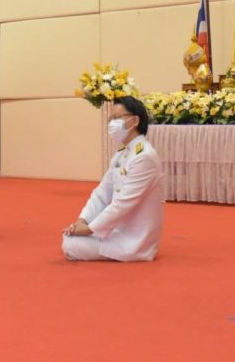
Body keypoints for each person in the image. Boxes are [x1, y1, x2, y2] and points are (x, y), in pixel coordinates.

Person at [62, 96, 164, 262]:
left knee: (71, 245)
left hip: (134, 240)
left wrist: (89, 229)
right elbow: (102, 192)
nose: (112, 123)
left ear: (134, 120)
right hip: (118, 230)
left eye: (117, 118)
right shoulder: (122, 153)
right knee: (71, 240)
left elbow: (123, 204)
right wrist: (83, 220)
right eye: (111, 119)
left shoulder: (144, 156)